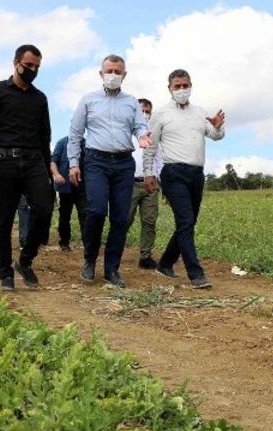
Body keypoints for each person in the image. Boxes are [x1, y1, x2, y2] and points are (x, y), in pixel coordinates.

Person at [0, 43, 53, 292]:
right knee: (3, 219)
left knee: (44, 209)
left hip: (33, 162)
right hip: (4, 161)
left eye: (37, 67)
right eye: (28, 65)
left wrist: (48, 169)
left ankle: (25, 260)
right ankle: (5, 272)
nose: (32, 70)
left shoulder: (40, 98)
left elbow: (45, 135)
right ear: (15, 63)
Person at [67, 54, 151, 287]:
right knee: (95, 211)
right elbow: (75, 134)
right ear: (101, 74)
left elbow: (140, 125)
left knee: (120, 218)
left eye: (118, 72)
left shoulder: (131, 101)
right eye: (109, 71)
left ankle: (112, 269)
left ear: (124, 75)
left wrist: (142, 136)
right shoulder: (88, 100)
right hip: (96, 161)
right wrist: (74, 163)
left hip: (124, 163)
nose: (113, 75)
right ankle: (89, 260)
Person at [143, 69, 225, 289]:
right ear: (169, 88)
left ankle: (166, 263)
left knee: (188, 223)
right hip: (173, 173)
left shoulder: (200, 112)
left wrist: (218, 126)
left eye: (185, 85)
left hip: (196, 174)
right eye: (177, 86)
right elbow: (150, 147)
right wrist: (148, 173)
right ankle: (195, 274)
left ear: (191, 86)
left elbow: (216, 136)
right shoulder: (161, 114)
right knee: (186, 221)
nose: (181, 90)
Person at [128, 98, 162, 268]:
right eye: (142, 110)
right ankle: (115, 251)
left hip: (151, 183)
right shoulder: (127, 132)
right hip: (129, 183)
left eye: (148, 110)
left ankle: (145, 256)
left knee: (149, 221)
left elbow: (160, 159)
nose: (145, 113)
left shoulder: (155, 134)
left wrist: (160, 180)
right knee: (124, 219)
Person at [50, 136, 86, 252]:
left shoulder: (87, 144)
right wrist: (56, 175)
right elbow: (53, 161)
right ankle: (64, 242)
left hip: (82, 186)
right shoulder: (62, 142)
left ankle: (87, 243)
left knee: (85, 214)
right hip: (65, 186)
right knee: (65, 215)